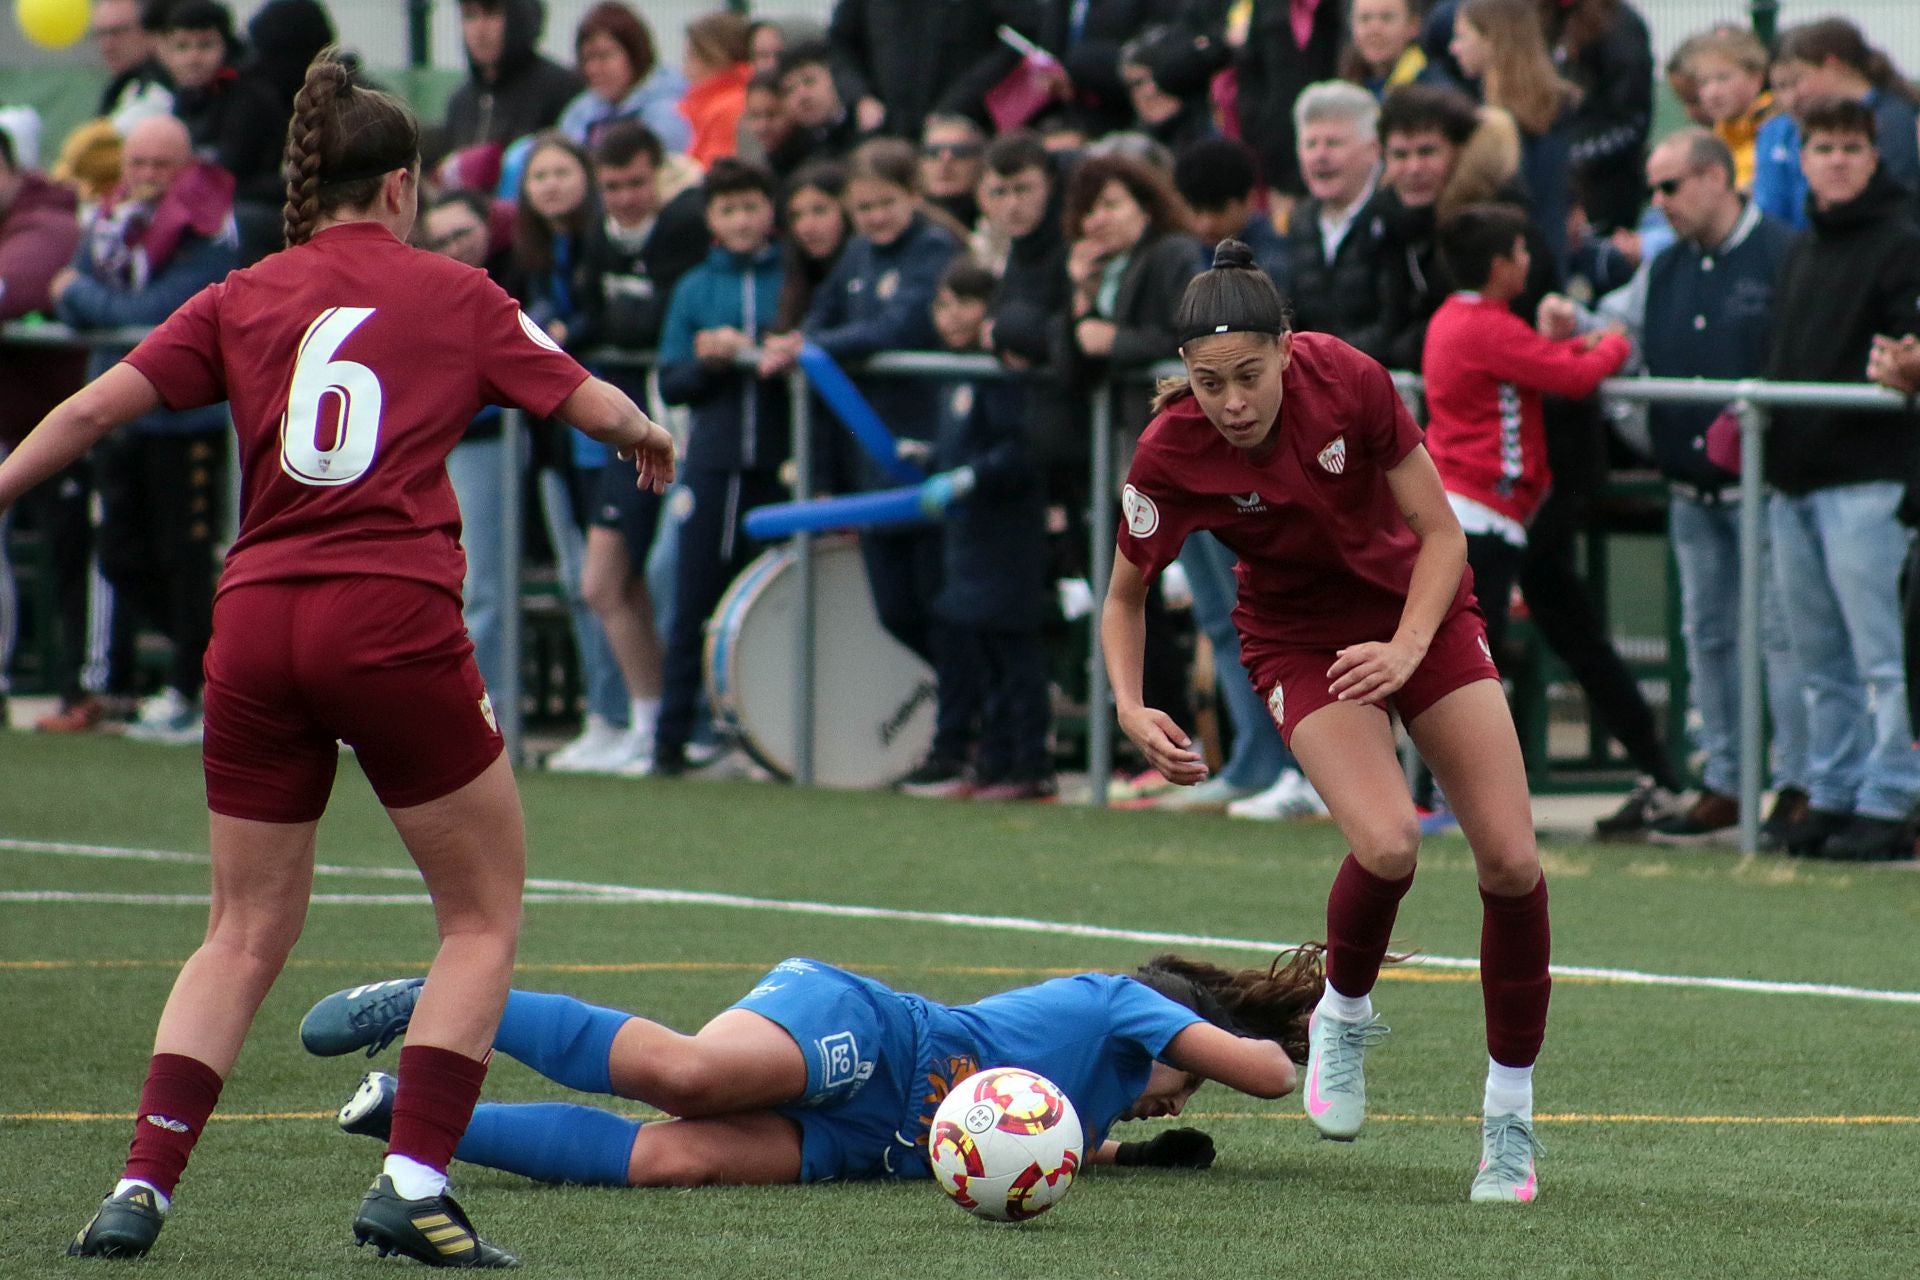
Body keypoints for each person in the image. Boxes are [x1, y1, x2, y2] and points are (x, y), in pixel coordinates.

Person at [0, 51, 673, 1264]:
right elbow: (595, 404)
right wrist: (652, 438)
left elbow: (99, 407)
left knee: (242, 926)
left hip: (256, 621)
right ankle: (414, 1179)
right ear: (405, 188)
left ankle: (140, 1186)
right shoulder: (458, 291)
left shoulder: (244, 290)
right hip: (391, 617)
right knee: (479, 914)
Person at [1105, 239, 1552, 1203]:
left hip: (1418, 613)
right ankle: (1341, 1015)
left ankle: (1508, 1121)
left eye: (1249, 376)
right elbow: (1125, 597)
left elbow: (1442, 534)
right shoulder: (1169, 450)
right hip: (1299, 640)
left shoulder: (1347, 378)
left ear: (1289, 348)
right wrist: (1130, 703)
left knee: (1512, 863)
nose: (1231, 401)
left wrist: (1404, 645)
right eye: (1208, 381)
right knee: (1390, 844)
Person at [302, 948, 1318, 1187]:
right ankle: (436, 996)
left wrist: (1141, 1156)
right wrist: (1336, 1025)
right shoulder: (1121, 1003)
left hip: (867, 1139)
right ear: (1172, 1043)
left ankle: (404, 1112)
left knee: (672, 1160)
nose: (1158, 1105)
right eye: (1176, 1087)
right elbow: (1269, 1075)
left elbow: (1045, 1151)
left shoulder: (1087, 1118)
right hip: (871, 1032)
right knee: (687, 1075)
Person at [1552, 130, 1806, 844]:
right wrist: (1573, 322)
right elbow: (1617, 328)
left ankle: (1797, 784)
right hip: (1691, 490)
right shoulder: (1664, 267)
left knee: (1782, 638)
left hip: (1764, 488)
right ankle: (1724, 780)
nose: (1658, 204)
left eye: (1670, 187)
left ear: (1717, 177)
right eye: (1654, 190)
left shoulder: (1783, 254)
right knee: (1709, 638)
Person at [1763, 96, 1920, 863]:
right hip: (1795, 481)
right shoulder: (1802, 248)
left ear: (1873, 155)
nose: (1836, 159)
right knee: (1816, 655)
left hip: (1867, 479)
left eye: (1850, 146)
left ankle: (1891, 795)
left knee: (1881, 654)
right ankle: (1833, 787)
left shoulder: (1902, 243)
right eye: (1822, 145)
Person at [51, 114, 238, 745]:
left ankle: (192, 687)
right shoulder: (107, 225)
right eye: (138, 164)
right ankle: (212, 664)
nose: (148, 178)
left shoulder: (209, 230)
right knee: (121, 558)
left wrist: (83, 294)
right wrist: (84, 296)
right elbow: (63, 296)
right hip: (120, 420)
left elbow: (154, 318)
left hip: (183, 420)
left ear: (187, 168)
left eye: (162, 165)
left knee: (184, 557)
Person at [768, 138, 960, 662]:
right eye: (864, 208)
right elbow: (821, 315)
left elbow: (900, 325)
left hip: (926, 449)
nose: (875, 218)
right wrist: (800, 341)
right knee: (894, 609)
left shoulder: (934, 248)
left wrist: (811, 346)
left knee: (939, 602)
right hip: (870, 457)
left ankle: (966, 722)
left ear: (913, 195)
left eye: (886, 204)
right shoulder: (856, 253)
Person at [1422, 203, 1629, 655]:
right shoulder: (1488, 326)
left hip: (1465, 505)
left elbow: (1537, 359)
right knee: (1475, 655)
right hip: (1484, 513)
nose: (1528, 260)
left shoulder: (1453, 319)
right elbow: (1571, 378)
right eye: (1521, 251)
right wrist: (1615, 346)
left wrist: (1578, 345)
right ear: (1499, 267)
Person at [647, 159, 789, 779]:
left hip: (782, 464)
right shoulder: (696, 289)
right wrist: (710, 358)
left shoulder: (793, 277)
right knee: (694, 598)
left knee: (778, 606)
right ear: (712, 218)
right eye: (728, 209)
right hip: (716, 464)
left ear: (769, 210)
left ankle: (774, 744)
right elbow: (671, 380)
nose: (741, 220)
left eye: (751, 206)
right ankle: (672, 742)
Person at [899, 260, 1054, 800]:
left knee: (1014, 651)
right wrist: (932, 458)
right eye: (941, 305)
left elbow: (1021, 449)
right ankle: (989, 761)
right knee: (978, 650)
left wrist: (971, 476)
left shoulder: (999, 374)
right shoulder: (953, 373)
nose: (949, 316)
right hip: (969, 540)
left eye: (960, 303)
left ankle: (1029, 764)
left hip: (1007, 534)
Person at [0, 128, 88, 731]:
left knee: (89, 561)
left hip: (65, 432)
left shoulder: (48, 221)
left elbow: (15, 287)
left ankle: (89, 689)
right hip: (26, 430)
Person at [1753, 19, 1920, 232]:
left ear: (1832, 66)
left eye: (1796, 81)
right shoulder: (1780, 129)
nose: (1790, 98)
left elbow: (1897, 198)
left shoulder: (1892, 120)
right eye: (1780, 87)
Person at [1448, 0, 1579, 272]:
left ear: (1492, 40)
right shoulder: (1555, 111)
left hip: (1511, 268)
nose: (1454, 47)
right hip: (1548, 263)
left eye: (1461, 35)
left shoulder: (1500, 125)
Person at [1281, 81, 1395, 364]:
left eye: (1333, 143)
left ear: (1372, 149)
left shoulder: (1394, 218)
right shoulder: (1300, 221)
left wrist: (1325, 359)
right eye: (1310, 143)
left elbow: (1393, 323)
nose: (1320, 156)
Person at [824, 0, 1020, 141]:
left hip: (964, 128)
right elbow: (841, 43)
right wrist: (860, 97)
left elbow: (1017, 38)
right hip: (887, 128)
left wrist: (957, 105)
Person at [440, 0, 582, 156]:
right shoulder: (461, 102)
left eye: (492, 14)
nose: (480, 29)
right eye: (470, 16)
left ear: (520, 18)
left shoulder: (559, 88)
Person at [558, 2, 691, 154]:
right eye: (586, 59)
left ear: (635, 54)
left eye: (605, 56)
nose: (592, 69)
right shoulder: (580, 113)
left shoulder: (671, 109)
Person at [1173, 136, 1288, 289]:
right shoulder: (1182, 260)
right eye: (1196, 210)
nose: (1206, 223)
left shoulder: (1274, 262)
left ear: (1249, 199)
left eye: (1218, 209)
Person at [1681, 23, 1776, 193]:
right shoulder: (1718, 134)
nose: (1712, 92)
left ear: (1757, 77)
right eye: (1703, 82)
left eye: (1723, 78)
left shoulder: (1774, 123)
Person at [679, 10, 752, 167]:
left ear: (716, 56)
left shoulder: (728, 108)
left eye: (691, 56)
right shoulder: (709, 104)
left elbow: (713, 170)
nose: (684, 69)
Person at [1343, 0, 1456, 100]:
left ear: (1413, 25)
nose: (1374, 30)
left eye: (1386, 18)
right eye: (1364, 19)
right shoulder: (1346, 84)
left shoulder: (1434, 91)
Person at [92, 0, 174, 133]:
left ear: (149, 34)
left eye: (118, 32)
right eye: (101, 34)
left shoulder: (155, 91)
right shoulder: (117, 88)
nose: (107, 45)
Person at [920, 112, 987, 231]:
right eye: (933, 152)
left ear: (980, 160)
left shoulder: (997, 219)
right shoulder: (902, 223)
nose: (945, 162)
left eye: (959, 152)